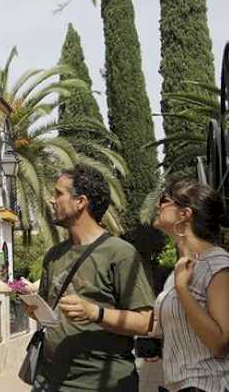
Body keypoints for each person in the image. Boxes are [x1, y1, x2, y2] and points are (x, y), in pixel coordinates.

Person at [24, 165, 156, 392]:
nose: (51, 200)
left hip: (101, 384)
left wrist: (95, 313)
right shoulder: (54, 255)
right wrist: (34, 308)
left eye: (58, 193)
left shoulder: (120, 253)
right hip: (49, 381)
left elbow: (146, 322)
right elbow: (49, 311)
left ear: (80, 202)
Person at [146, 179, 229, 392]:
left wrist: (182, 290)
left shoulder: (218, 264)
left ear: (185, 214)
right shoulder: (182, 269)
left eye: (164, 200)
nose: (158, 205)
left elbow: (219, 344)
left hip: (219, 384)